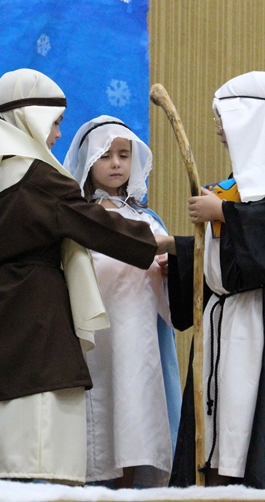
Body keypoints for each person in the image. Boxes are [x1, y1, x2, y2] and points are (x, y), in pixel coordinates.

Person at [0, 69, 166, 484]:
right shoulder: (38, 176)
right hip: (37, 313)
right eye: (55, 123)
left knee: (9, 429)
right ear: (33, 118)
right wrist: (161, 242)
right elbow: (94, 224)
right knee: (41, 439)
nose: (58, 134)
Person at [160, 71, 265, 489]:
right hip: (225, 322)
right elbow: (226, 257)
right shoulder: (241, 188)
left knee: (248, 424)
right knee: (218, 426)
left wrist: (223, 213)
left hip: (260, 327)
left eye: (226, 120)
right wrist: (180, 251)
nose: (219, 130)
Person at [62, 116, 180, 488]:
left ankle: (134, 485)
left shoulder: (147, 220)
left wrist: (170, 270)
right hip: (96, 340)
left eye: (124, 155)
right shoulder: (79, 220)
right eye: (105, 155)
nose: (116, 163)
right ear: (88, 161)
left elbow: (171, 284)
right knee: (100, 414)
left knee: (136, 411)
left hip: (140, 338)